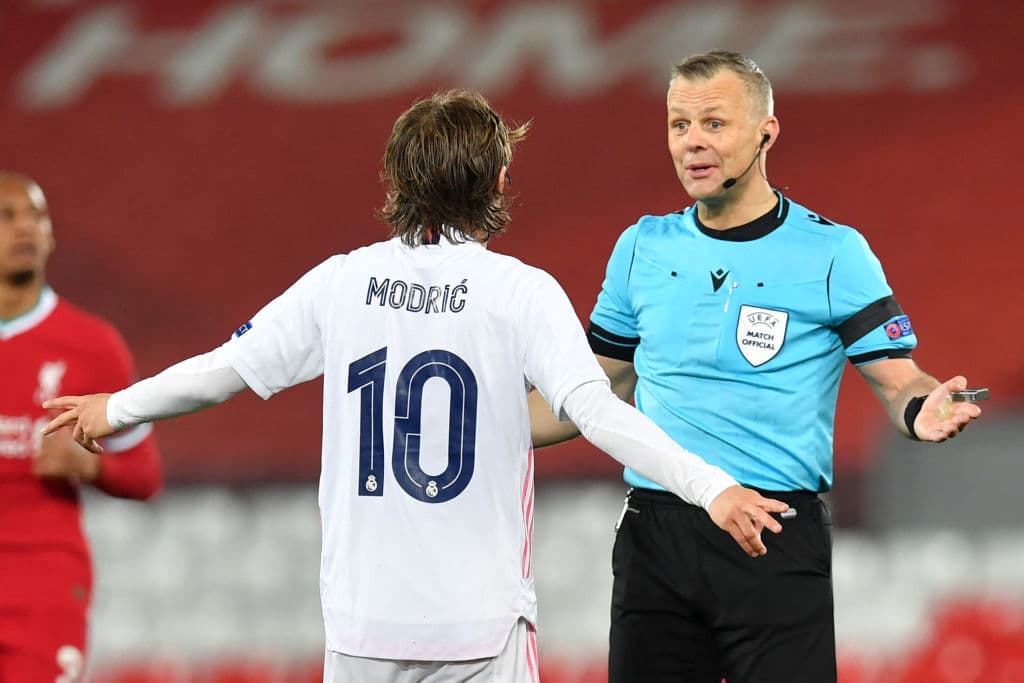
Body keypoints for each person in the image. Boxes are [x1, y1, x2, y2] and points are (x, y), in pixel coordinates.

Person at [42, 90, 788, 683]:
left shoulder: (343, 283)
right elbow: (594, 408)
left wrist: (117, 406)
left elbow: (224, 369)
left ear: (396, 182)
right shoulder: (518, 291)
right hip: (479, 626)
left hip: (363, 624)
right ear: (498, 182)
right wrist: (711, 487)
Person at [528, 51, 983, 683]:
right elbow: (595, 388)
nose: (692, 142)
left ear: (766, 133)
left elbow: (900, 381)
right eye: (679, 124)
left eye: (714, 123)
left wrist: (922, 408)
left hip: (774, 534)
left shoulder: (834, 253)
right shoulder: (641, 247)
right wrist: (475, 428)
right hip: (656, 534)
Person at [0, 172, 163, 683]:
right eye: (6, 216)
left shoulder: (92, 345)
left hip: (41, 586)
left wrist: (90, 467)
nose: (25, 227)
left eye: (36, 216)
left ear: (50, 235)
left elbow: (145, 474)